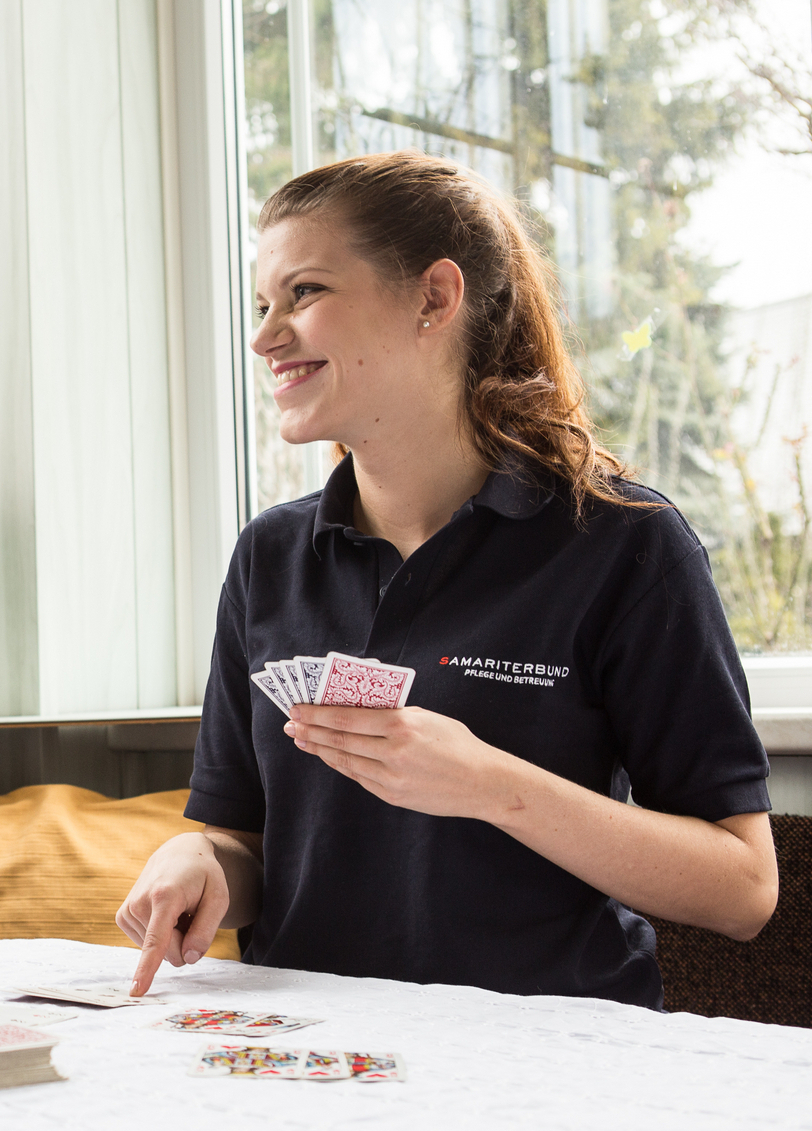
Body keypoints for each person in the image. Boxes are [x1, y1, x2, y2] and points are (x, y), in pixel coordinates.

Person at [117, 151, 777, 1008]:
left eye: (305, 293)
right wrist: (200, 860)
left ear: (434, 297)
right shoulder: (268, 559)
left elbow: (743, 890)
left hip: (546, 1057)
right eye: (262, 303)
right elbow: (244, 844)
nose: (265, 334)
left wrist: (489, 785)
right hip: (310, 1054)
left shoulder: (625, 545)